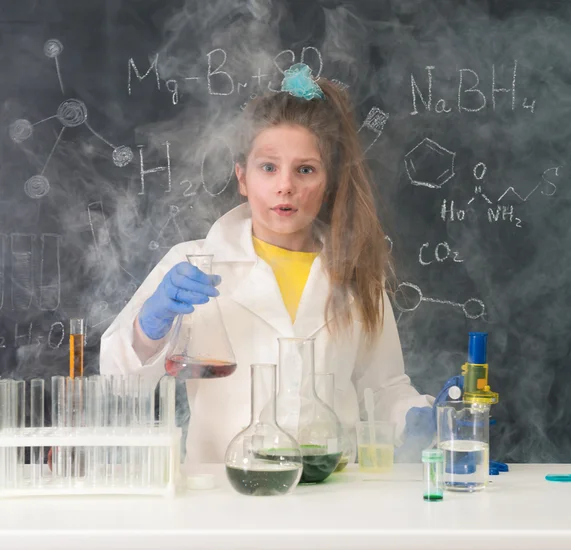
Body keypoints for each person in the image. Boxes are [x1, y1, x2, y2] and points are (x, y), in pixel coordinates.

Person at [100, 63, 452, 465]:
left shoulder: (355, 274)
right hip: (225, 493)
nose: (286, 185)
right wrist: (151, 325)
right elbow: (119, 386)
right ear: (243, 178)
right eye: (268, 167)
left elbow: (383, 387)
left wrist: (423, 420)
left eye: (305, 170)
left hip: (333, 492)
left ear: (328, 181)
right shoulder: (192, 264)